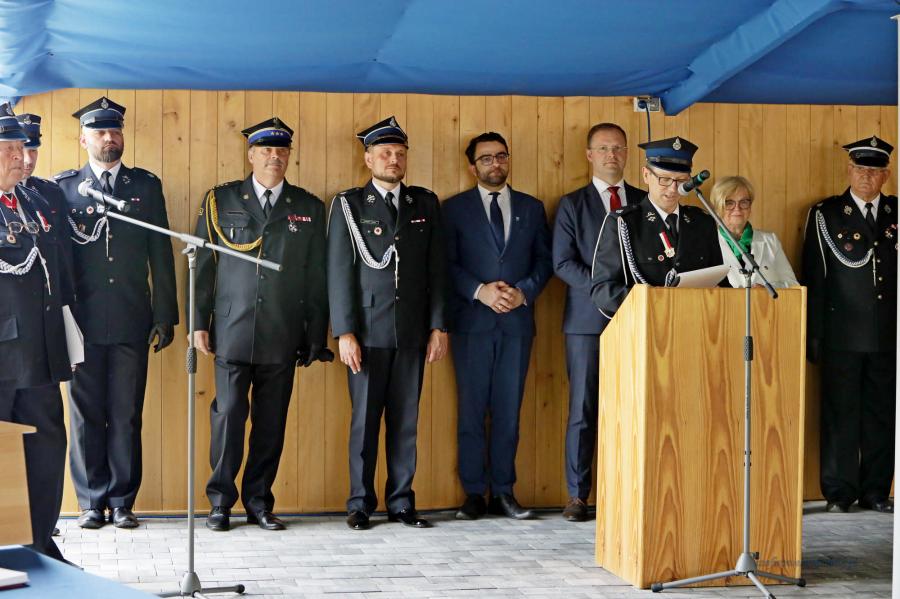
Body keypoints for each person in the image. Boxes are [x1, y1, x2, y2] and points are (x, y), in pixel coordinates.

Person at [192, 117, 330, 531]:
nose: (274, 157)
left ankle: (259, 503)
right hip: (232, 330)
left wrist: (314, 334)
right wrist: (199, 322)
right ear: (251, 155)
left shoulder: (308, 207)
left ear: (289, 156)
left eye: (282, 150)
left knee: (271, 424)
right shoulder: (219, 200)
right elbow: (203, 267)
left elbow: (317, 277)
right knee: (228, 418)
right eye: (266, 150)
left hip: (283, 331)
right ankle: (220, 503)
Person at [55, 96, 178, 529]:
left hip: (131, 318)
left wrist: (165, 314)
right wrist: (59, 321)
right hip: (82, 324)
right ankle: (91, 501)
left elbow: (161, 253)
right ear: (84, 139)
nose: (109, 138)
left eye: (115, 131)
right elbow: (58, 261)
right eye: (100, 132)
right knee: (85, 415)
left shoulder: (145, 186)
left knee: (126, 414)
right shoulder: (63, 188)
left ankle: (123, 500)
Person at [327, 116, 448, 530]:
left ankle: (401, 502)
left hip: (412, 332)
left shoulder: (424, 203)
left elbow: (437, 270)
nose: (393, 160)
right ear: (368, 159)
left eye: (399, 153)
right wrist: (344, 332)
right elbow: (338, 272)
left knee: (406, 422)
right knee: (364, 423)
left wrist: (438, 326)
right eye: (384, 153)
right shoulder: (349, 205)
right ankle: (360, 503)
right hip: (366, 332)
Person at [443, 132, 552, 521]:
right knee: (472, 410)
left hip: (517, 323)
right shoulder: (453, 209)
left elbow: (544, 261)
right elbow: (446, 264)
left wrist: (523, 293)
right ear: (472, 167)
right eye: (486, 158)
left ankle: (504, 491)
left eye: (501, 156)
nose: (495, 163)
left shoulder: (532, 208)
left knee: (508, 410)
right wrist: (480, 291)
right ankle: (474, 493)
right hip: (472, 323)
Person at [552, 122, 643, 522]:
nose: (612, 155)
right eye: (604, 148)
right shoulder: (572, 204)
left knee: (635, 409)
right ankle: (578, 495)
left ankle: (629, 491)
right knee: (583, 410)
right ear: (589, 155)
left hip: (638, 317)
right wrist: (608, 290)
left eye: (618, 148)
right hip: (587, 322)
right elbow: (562, 263)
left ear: (627, 154)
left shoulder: (644, 201)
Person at [802, 135, 896, 514]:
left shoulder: (895, 213)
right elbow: (815, 276)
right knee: (840, 414)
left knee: (881, 413)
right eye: (859, 169)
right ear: (849, 170)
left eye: (873, 171)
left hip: (888, 334)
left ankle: (876, 491)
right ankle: (839, 492)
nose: (865, 177)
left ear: (885, 175)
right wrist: (813, 334)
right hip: (841, 333)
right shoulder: (826, 214)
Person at [0, 102, 73, 560]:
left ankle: (39, 543)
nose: (19, 156)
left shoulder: (33, 201)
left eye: (20, 146)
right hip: (3, 353)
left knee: (46, 447)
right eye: (7, 148)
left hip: (41, 351)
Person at [590, 136, 722, 316]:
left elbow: (719, 282)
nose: (673, 189)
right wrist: (654, 302)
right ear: (646, 175)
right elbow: (603, 291)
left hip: (694, 321)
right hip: (644, 321)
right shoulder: (623, 222)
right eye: (664, 179)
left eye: (681, 180)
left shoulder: (702, 222)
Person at [711, 176, 798, 288]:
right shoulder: (707, 244)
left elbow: (793, 286)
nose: (737, 208)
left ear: (750, 206)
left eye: (744, 202)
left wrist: (767, 290)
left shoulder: (770, 240)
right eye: (729, 203)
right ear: (717, 208)